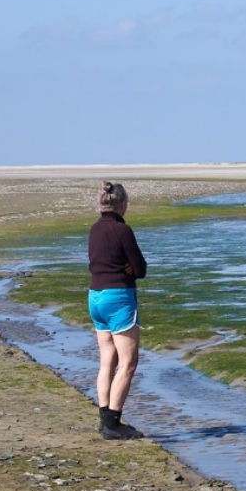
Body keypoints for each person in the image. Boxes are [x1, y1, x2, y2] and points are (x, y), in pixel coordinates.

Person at [87, 181, 146, 439]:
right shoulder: (123, 231)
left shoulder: (94, 230)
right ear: (122, 204)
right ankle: (113, 422)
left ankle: (105, 419)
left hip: (95, 297)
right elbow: (140, 268)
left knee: (106, 362)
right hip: (118, 297)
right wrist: (129, 271)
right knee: (128, 363)